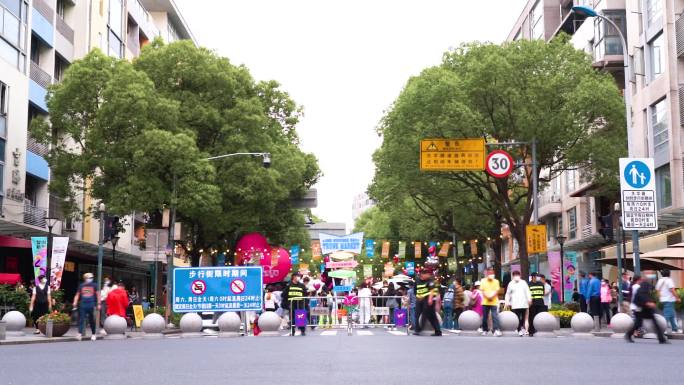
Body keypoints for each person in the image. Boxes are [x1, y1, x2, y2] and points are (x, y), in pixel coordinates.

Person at [626, 278, 667, 344]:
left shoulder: (643, 291)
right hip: (641, 310)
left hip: (646, 310)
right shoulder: (641, 291)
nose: (649, 289)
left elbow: (648, 298)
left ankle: (661, 339)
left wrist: (651, 303)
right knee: (638, 324)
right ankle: (628, 335)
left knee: (655, 323)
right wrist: (648, 303)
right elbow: (642, 299)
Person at [72, 273, 100, 341]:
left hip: (91, 304)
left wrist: (99, 303)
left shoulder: (94, 285)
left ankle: (93, 334)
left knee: (91, 320)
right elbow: (77, 294)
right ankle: (79, 333)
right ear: (85, 278)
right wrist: (75, 302)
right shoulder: (81, 285)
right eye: (89, 277)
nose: (90, 279)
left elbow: (98, 294)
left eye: (91, 277)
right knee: (81, 319)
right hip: (83, 304)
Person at [413, 268, 441, 336]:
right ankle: (418, 329)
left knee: (427, 315)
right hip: (419, 300)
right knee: (418, 314)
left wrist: (430, 299)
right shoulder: (417, 281)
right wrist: (417, 297)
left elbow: (431, 291)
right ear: (422, 274)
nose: (429, 275)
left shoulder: (430, 281)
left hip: (427, 299)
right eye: (427, 274)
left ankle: (420, 329)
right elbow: (415, 290)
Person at [505, 270, 531, 336]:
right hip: (515, 304)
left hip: (524, 303)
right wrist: (507, 302)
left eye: (517, 275)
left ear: (520, 275)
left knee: (523, 317)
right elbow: (508, 294)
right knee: (517, 318)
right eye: (515, 275)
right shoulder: (511, 283)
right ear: (513, 276)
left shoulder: (523, 282)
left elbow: (527, 291)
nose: (516, 276)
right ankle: (519, 329)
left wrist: (529, 299)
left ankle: (523, 328)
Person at [480, 268, 502, 337]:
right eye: (489, 273)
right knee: (485, 317)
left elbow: (497, 290)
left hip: (494, 301)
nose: (491, 274)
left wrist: (491, 296)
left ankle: (496, 330)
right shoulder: (483, 281)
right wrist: (488, 297)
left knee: (494, 316)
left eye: (492, 273)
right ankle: (485, 330)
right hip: (485, 302)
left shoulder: (496, 281)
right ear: (487, 273)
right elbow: (482, 291)